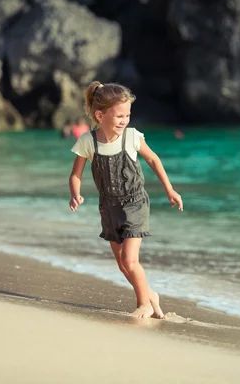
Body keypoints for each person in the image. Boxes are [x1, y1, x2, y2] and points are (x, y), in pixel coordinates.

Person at [68, 81, 183, 319]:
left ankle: (144, 304)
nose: (125, 120)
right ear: (100, 115)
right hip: (108, 208)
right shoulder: (88, 142)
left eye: (128, 115)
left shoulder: (132, 137)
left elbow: (153, 160)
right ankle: (151, 295)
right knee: (122, 264)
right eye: (119, 115)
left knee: (131, 260)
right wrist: (75, 193)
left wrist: (170, 190)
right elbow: (75, 174)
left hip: (134, 204)